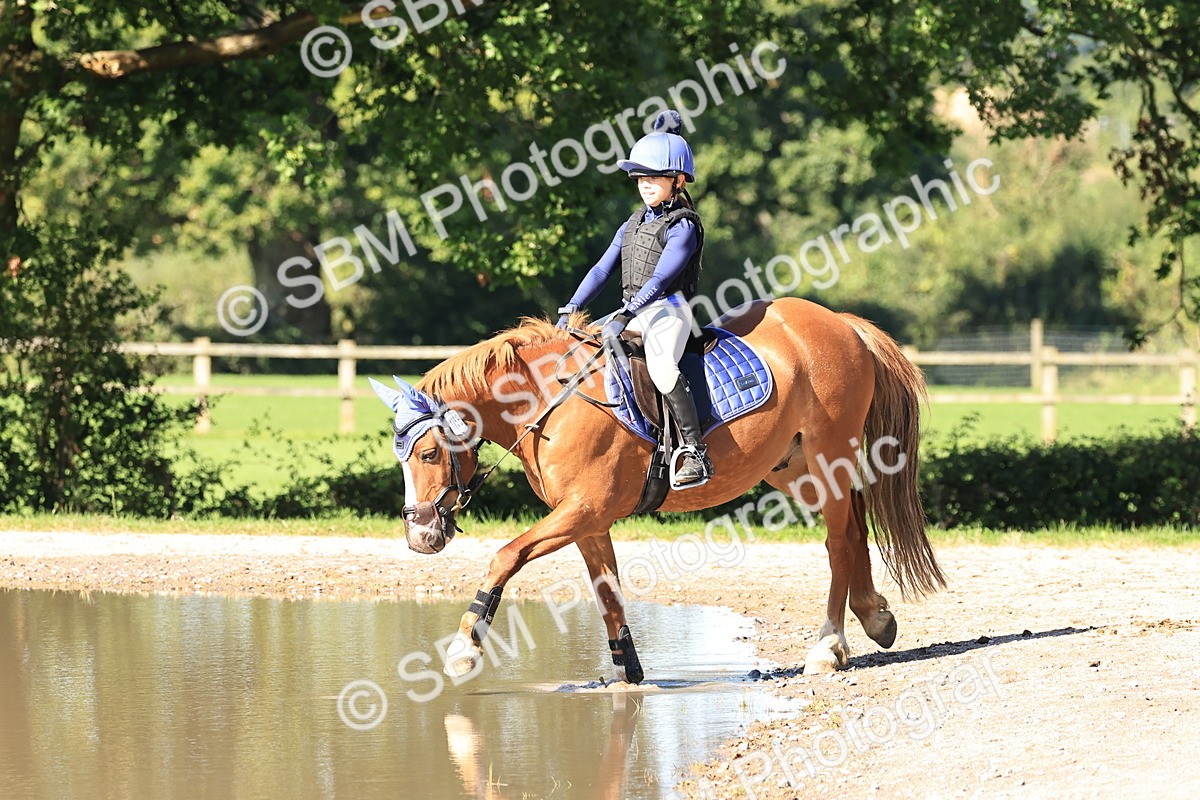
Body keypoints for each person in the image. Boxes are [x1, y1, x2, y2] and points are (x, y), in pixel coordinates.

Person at [556, 109, 714, 487]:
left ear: (677, 180)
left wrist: (626, 313)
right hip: (632, 309)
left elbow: (661, 280)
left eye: (654, 177)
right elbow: (600, 270)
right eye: (641, 177)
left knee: (661, 367)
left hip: (669, 311)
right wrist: (571, 307)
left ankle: (695, 451)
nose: (645, 184)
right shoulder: (631, 223)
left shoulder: (684, 226)